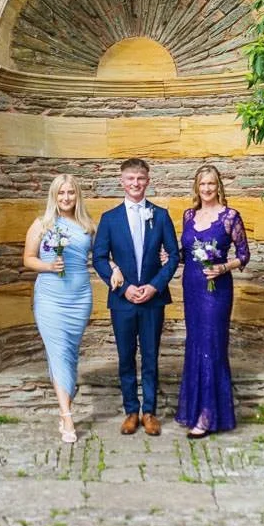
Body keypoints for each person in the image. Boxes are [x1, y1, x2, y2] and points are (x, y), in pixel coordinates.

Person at [24, 174, 114, 443]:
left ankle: (64, 404)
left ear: (77, 196)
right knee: (58, 350)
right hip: (50, 297)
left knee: (70, 353)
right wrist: (49, 265)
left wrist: (117, 268)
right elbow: (28, 259)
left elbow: (102, 257)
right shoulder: (42, 224)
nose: (66, 198)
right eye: (61, 193)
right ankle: (67, 416)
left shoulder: (88, 226)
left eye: (71, 193)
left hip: (79, 297)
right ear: (54, 196)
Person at [93, 158, 180, 436]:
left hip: (153, 299)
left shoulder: (161, 215)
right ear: (122, 181)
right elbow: (99, 258)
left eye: (140, 178)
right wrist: (122, 287)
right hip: (122, 300)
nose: (135, 183)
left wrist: (155, 286)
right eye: (130, 178)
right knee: (126, 356)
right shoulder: (109, 218)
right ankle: (131, 410)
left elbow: (174, 256)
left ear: (148, 181)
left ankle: (150, 412)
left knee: (151, 356)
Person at [175, 165, 250, 438]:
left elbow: (244, 254)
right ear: (196, 187)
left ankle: (208, 415)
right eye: (202, 184)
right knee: (196, 344)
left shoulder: (230, 217)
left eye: (211, 184)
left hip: (217, 290)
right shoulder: (188, 215)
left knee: (212, 345)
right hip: (193, 287)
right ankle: (196, 409)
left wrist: (222, 268)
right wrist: (171, 258)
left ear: (219, 186)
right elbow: (186, 253)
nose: (207, 189)